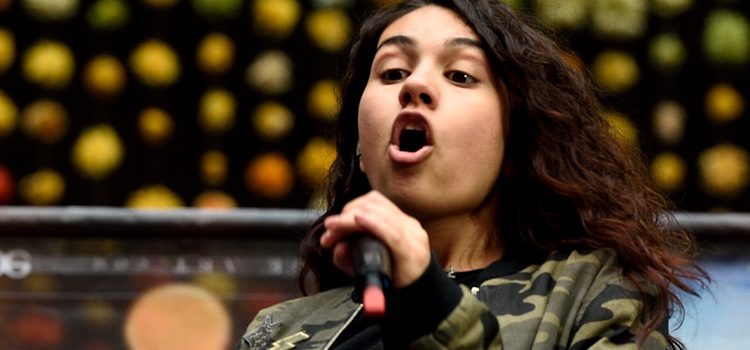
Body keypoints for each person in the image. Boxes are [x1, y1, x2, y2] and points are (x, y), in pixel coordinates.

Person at [239, 0, 708, 349]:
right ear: (361, 149)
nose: (416, 85)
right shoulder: (281, 330)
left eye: (460, 76)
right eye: (392, 72)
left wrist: (428, 301)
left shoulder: (593, 294)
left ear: (518, 147)